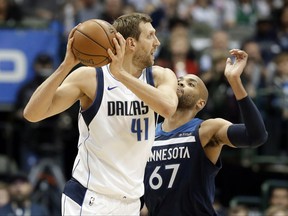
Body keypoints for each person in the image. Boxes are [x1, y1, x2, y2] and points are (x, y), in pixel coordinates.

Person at [23, 12, 178, 215]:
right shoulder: (91, 78)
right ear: (131, 43)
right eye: (150, 36)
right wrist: (66, 66)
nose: (157, 42)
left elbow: (167, 108)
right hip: (89, 198)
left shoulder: (160, 76)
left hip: (130, 202)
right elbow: (32, 114)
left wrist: (121, 75)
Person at [142, 49, 268, 215]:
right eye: (179, 80)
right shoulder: (148, 133)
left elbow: (256, 136)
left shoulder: (206, 130)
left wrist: (235, 81)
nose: (181, 83)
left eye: (191, 84)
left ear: (200, 104)